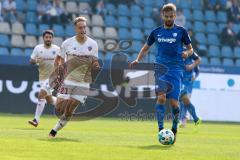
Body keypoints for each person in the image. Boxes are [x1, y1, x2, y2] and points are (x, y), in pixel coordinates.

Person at [130, 3, 193, 144]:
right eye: (167, 16)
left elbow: (191, 50)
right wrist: (138, 59)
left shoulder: (182, 31)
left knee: (174, 103)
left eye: (171, 16)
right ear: (162, 16)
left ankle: (174, 129)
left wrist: (186, 53)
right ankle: (160, 130)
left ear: (175, 16)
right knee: (162, 98)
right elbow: (146, 47)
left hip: (176, 70)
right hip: (160, 68)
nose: (169, 18)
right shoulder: (156, 32)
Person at [48, 16, 100, 138]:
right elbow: (58, 59)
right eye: (80, 27)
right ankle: (53, 99)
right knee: (60, 109)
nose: (83, 29)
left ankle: (54, 131)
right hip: (68, 80)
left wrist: (96, 66)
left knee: (70, 109)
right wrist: (57, 72)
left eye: (84, 27)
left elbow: (95, 61)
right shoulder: (67, 43)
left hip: (84, 81)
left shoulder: (93, 44)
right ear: (75, 29)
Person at [28, 30, 60, 127]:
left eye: (50, 37)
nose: (48, 39)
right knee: (49, 100)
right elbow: (31, 61)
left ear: (52, 39)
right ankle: (63, 103)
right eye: (46, 37)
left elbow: (63, 62)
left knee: (41, 95)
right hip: (42, 77)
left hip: (53, 77)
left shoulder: (57, 49)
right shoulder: (38, 48)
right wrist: (36, 60)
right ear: (43, 38)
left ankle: (36, 120)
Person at [179, 51, 202, 128]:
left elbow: (197, 68)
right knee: (183, 101)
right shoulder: (173, 51)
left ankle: (183, 121)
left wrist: (194, 76)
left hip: (187, 82)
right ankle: (195, 119)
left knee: (184, 100)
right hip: (178, 80)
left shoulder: (189, 52)